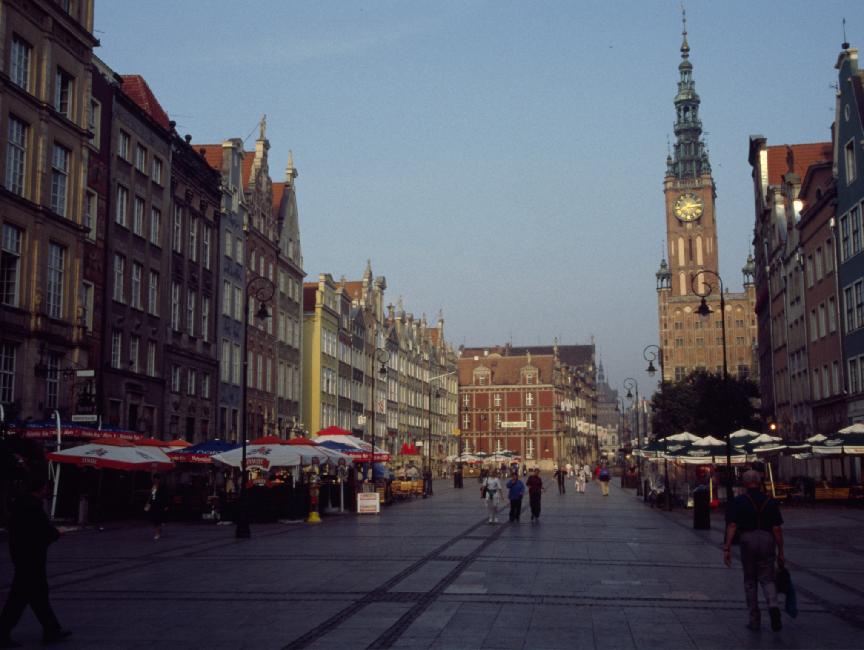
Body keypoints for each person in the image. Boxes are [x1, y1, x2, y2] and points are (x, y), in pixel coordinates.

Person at [0, 475, 71, 647]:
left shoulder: (20, 505)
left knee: (38, 596)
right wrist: (57, 533)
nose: (47, 490)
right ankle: (2, 632)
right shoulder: (32, 508)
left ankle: (51, 629)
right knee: (19, 599)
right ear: (42, 488)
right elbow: (41, 533)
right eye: (46, 487)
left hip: (22, 556)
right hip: (31, 559)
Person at [723, 469, 785, 632]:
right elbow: (777, 528)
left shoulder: (739, 501)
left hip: (747, 540)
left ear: (744, 483)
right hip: (767, 540)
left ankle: (754, 619)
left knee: (750, 581)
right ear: (759, 482)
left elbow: (732, 525)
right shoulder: (770, 501)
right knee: (768, 578)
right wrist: (781, 551)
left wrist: (727, 547)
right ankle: (772, 605)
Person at [146, 474, 168, 540]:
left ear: (159, 480)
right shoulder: (154, 487)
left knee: (158, 520)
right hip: (154, 505)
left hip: (160, 505)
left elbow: (165, 497)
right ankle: (158, 530)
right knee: (154, 520)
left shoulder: (163, 487)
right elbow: (152, 496)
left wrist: (166, 505)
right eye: (154, 479)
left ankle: (157, 533)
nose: (155, 480)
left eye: (157, 479)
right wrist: (148, 505)